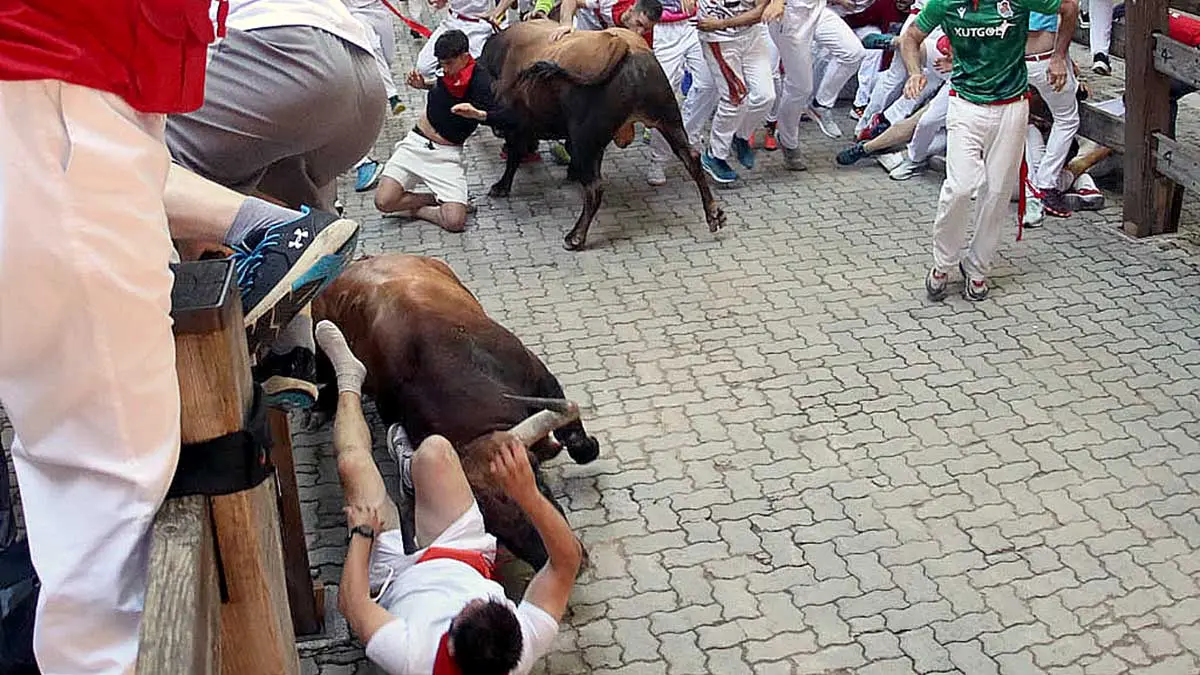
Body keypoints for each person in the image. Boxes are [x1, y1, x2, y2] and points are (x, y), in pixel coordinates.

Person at [0, 3, 359, 673]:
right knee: (117, 551)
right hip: (56, 91)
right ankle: (275, 247)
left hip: (81, 93)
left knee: (99, 506)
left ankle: (274, 253)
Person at [314, 320, 580, 674]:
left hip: (394, 576)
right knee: (435, 452)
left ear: (450, 644)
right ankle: (414, 471)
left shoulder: (413, 658)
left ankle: (349, 375)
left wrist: (361, 535)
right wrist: (526, 494)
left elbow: (352, 603)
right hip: (461, 553)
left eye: (463, 610)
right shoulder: (521, 642)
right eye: (488, 600)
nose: (469, 600)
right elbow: (566, 563)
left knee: (352, 465)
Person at [901, 0, 1078, 302]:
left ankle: (977, 266)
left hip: (1011, 106)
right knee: (960, 187)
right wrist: (914, 72)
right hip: (965, 104)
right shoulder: (945, 3)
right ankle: (943, 263)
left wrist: (1059, 56)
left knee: (996, 193)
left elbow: (1070, 7)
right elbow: (911, 36)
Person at [166, 0, 386, 213]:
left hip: (275, 55)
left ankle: (236, 230)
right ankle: (302, 232)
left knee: (144, 153)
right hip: (360, 74)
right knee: (275, 190)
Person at [376, 30, 518, 233]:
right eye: (441, 64)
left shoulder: (481, 82)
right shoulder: (444, 73)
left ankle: (419, 210)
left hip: (447, 155)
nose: (445, 69)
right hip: (416, 144)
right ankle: (436, 199)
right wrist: (424, 85)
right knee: (384, 201)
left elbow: (508, 117)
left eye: (449, 63)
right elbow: (441, 86)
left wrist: (478, 115)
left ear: (464, 57)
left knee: (454, 221)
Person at [766, 0, 865, 161]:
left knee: (853, 53)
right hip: (789, 15)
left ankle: (821, 105)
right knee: (800, 88)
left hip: (817, 8)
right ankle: (787, 140)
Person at [694, 0, 778, 183]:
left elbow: (759, 12)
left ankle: (741, 136)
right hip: (719, 39)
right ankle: (714, 155)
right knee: (735, 99)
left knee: (766, 96)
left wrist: (723, 23)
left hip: (751, 35)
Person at [1022, 10, 1080, 223]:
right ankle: (1046, 184)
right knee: (1067, 120)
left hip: (1015, 60)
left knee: (1022, 122)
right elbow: (1069, 11)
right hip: (1044, 58)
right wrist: (1060, 56)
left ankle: (1032, 192)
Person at [415, 0, 500, 79]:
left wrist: (497, 12)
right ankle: (446, 86)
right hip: (452, 21)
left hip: (477, 27)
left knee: (471, 71)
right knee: (424, 67)